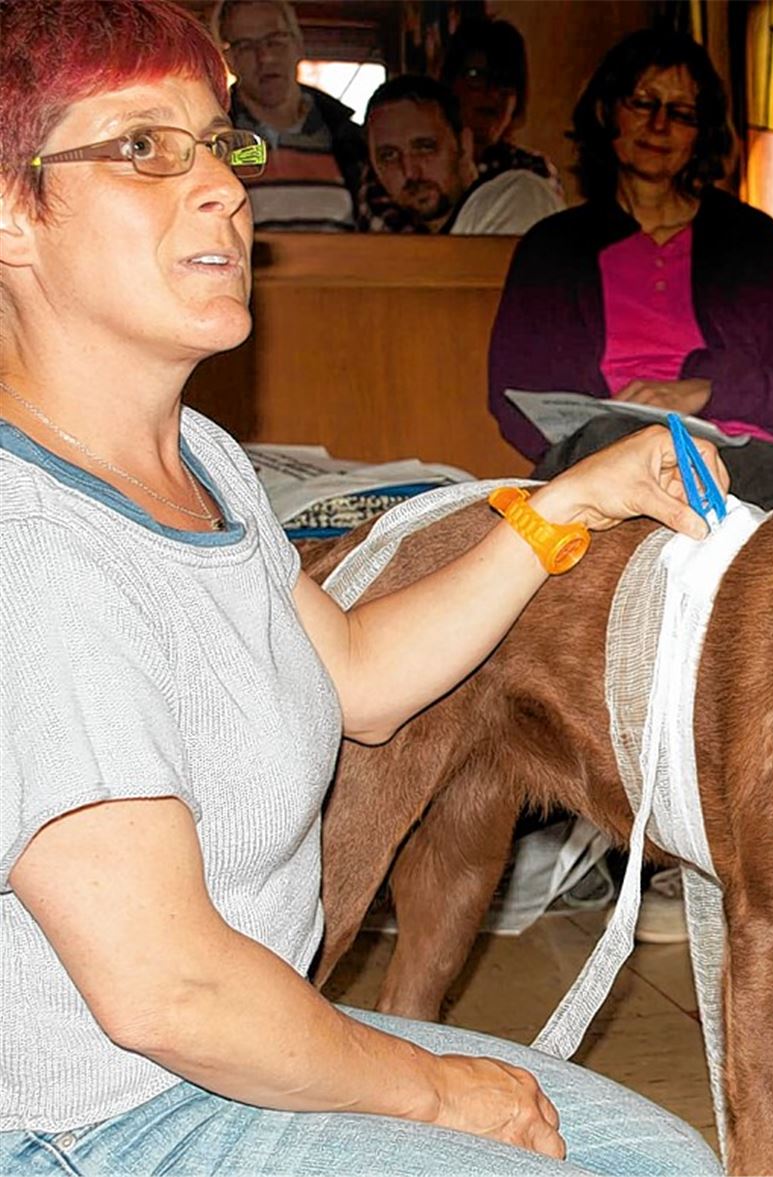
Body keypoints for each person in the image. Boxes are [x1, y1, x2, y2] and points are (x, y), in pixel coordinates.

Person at [0, 3, 726, 1174]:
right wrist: (439, 1091)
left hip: (241, 1043)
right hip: (90, 1118)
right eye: (143, 148)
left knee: (669, 1162)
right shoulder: (29, 547)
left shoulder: (199, 458)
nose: (225, 189)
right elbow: (168, 990)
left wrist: (565, 508)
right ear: (10, 212)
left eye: (219, 141)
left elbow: (359, 680)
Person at [488, 28, 773, 943]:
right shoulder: (557, 245)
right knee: (613, 509)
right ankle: (618, 824)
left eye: (681, 111)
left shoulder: (752, 241)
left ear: (704, 132)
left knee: (748, 548)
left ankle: (719, 841)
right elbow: (515, 398)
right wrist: (630, 426)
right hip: (605, 450)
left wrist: (700, 394)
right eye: (642, 102)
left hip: (743, 450)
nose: (658, 125)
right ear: (607, 111)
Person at [211, 0, 367, 231]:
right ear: (229, 59)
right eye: (245, 46)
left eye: (275, 41)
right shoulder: (214, 140)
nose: (265, 57)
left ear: (298, 45)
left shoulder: (348, 138)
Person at [362, 75, 564, 235]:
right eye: (388, 156)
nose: (409, 171)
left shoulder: (517, 197)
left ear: (464, 146)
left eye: (424, 147)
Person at [439, 17, 562, 194]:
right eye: (476, 76)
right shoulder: (420, 168)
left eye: (505, 81)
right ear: (450, 82)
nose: (493, 93)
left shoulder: (532, 171)